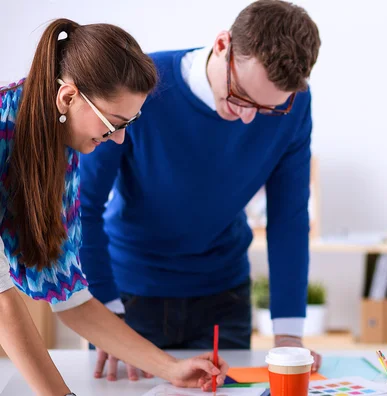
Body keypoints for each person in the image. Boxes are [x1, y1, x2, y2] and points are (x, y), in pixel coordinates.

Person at [79, 0, 323, 380]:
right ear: (223, 45)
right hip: (128, 293)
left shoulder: (295, 105)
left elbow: (289, 218)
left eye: (266, 109)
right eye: (241, 96)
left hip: (224, 296)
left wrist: (289, 335)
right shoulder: (143, 85)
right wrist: (106, 310)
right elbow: (84, 205)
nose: (247, 118)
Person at [0, 19, 228, 395]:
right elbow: (3, 301)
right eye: (113, 123)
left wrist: (170, 368)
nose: (119, 139)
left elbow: (71, 296)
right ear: (68, 98)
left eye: (130, 123)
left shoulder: (61, 150)